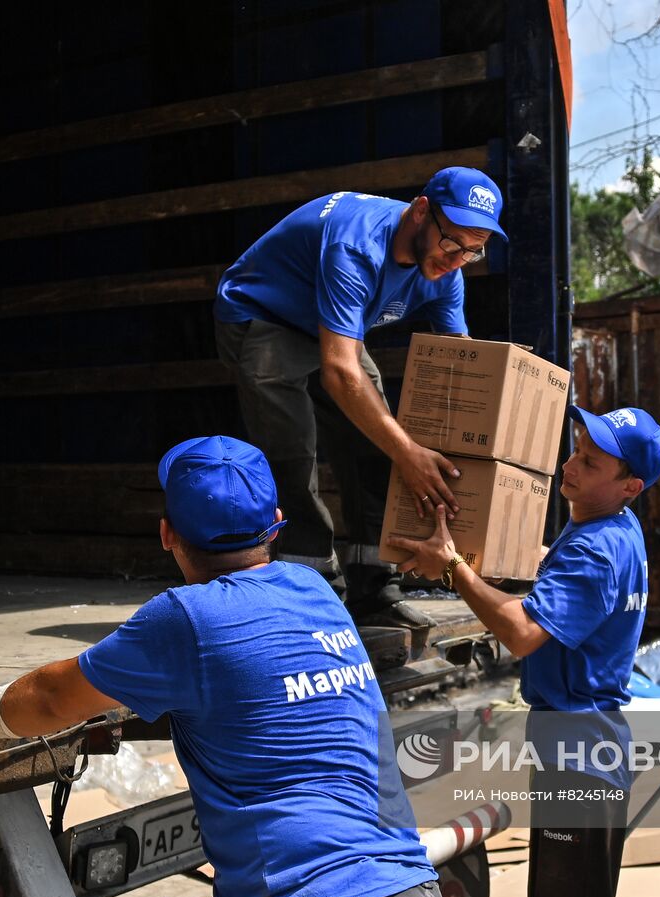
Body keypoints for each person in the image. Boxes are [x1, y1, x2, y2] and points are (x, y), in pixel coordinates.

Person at [0, 436, 446, 897]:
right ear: (278, 523)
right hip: (410, 893)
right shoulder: (315, 590)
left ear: (167, 534)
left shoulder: (187, 619)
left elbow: (53, 698)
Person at [390, 404, 660, 897]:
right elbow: (559, 569)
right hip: (585, 747)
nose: (571, 465)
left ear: (629, 486)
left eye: (590, 464)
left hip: (580, 757)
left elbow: (521, 634)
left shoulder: (597, 550)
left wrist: (451, 569)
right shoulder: (614, 526)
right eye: (577, 450)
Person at [213, 166, 506, 627]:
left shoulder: (449, 270)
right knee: (293, 455)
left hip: (329, 331)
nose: (457, 259)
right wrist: (409, 451)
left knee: (376, 446)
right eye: (452, 243)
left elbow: (462, 367)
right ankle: (314, 596)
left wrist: (485, 453)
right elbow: (339, 372)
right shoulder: (357, 244)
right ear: (420, 211)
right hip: (264, 317)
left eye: (474, 251)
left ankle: (374, 593)